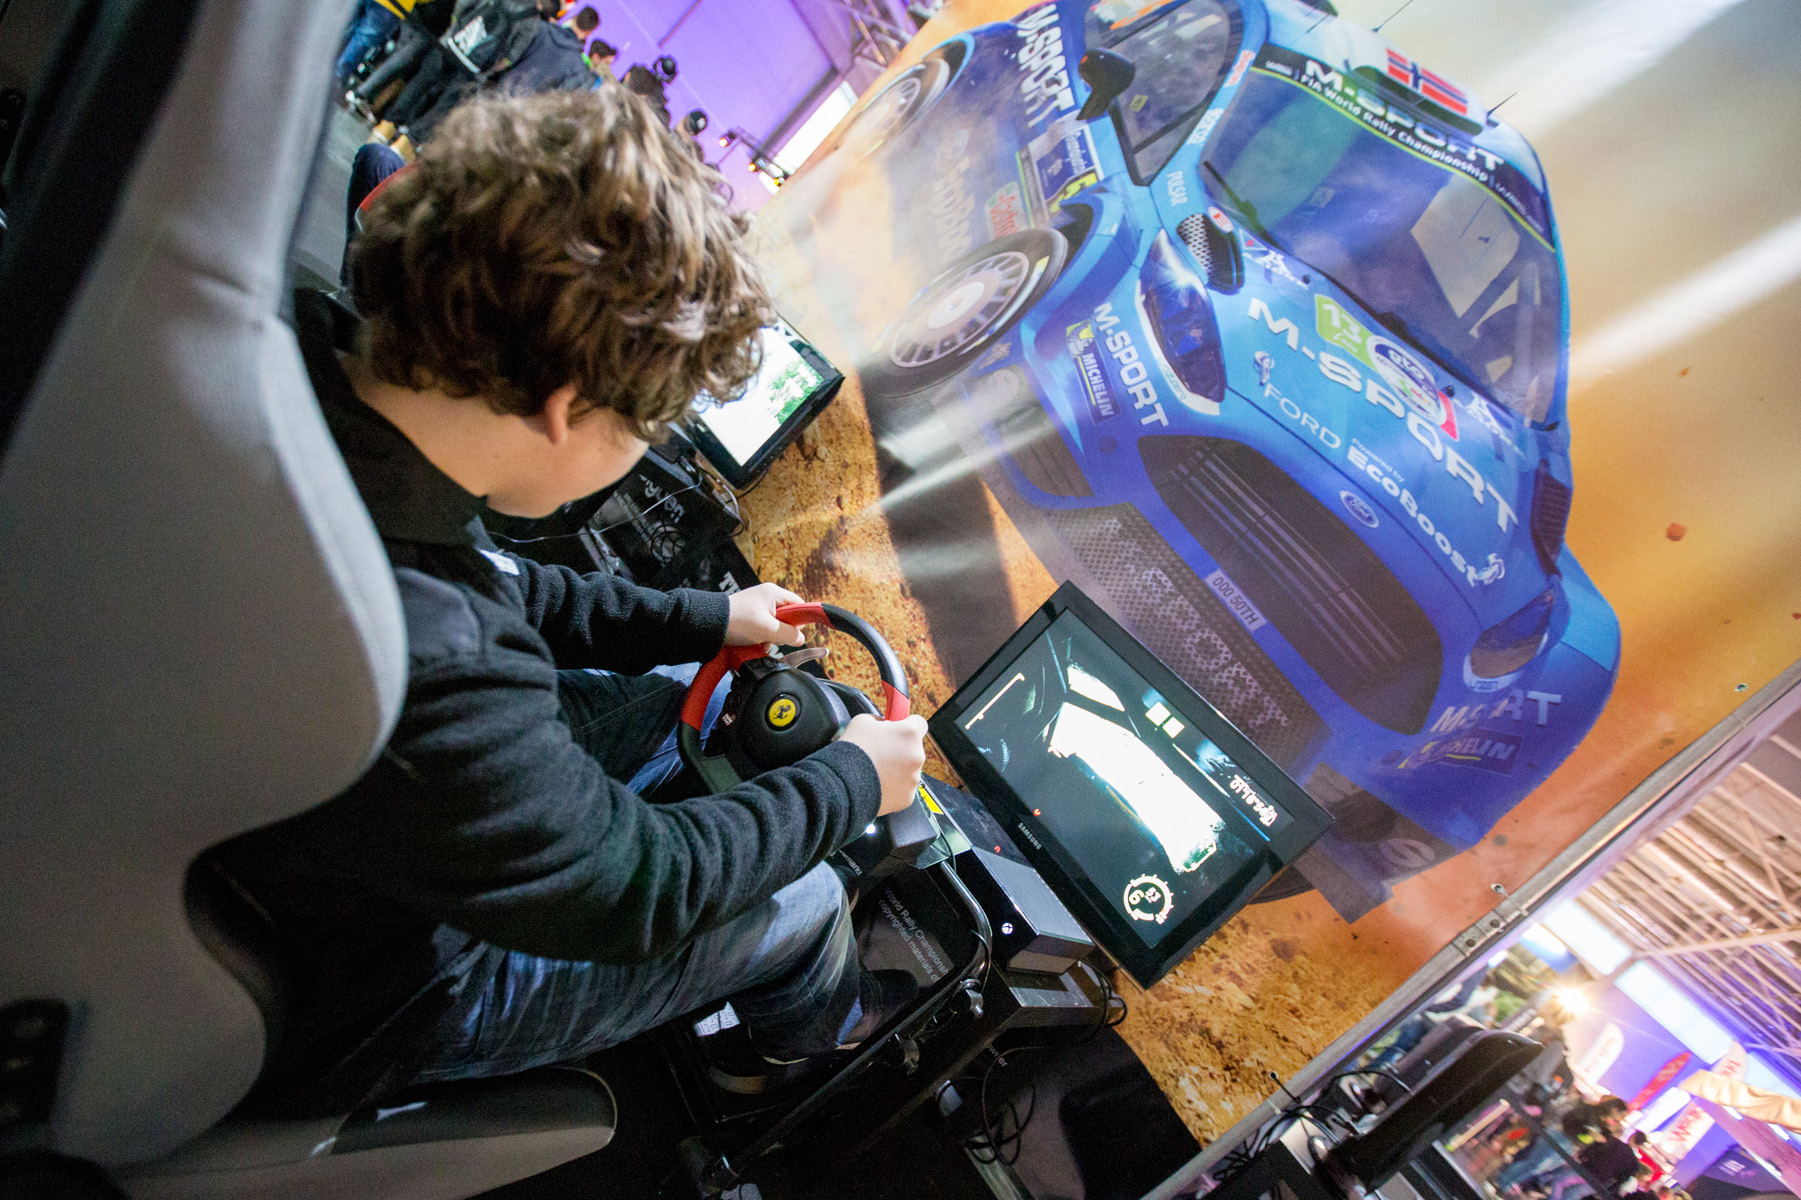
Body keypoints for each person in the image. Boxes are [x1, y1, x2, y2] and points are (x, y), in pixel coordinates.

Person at [211, 87, 928, 1115]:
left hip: (304, 832)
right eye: (646, 427)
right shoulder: (434, 648)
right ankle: (803, 1055)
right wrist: (853, 779)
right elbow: (644, 890)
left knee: (680, 685)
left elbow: (506, 583)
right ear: (567, 408)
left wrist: (708, 619)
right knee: (808, 898)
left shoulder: (281, 362)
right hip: (377, 981)